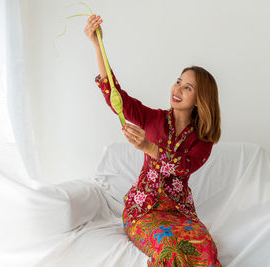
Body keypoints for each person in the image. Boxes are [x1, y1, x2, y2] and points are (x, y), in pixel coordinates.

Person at [85, 14, 222, 267]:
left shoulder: (203, 139)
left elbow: (185, 166)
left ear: (200, 100)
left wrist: (149, 147)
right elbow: (116, 97)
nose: (177, 89)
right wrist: (97, 45)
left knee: (206, 250)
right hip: (143, 211)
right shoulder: (153, 119)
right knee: (172, 250)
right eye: (178, 82)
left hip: (180, 213)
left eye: (187, 88)